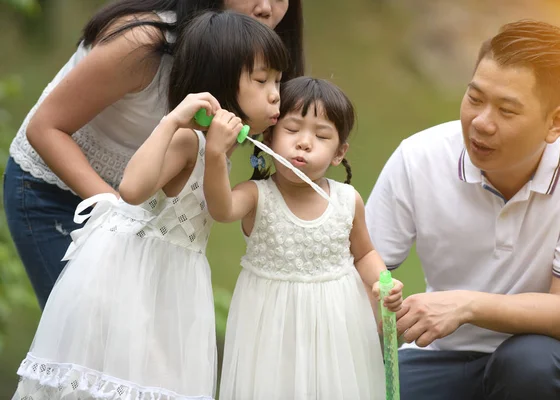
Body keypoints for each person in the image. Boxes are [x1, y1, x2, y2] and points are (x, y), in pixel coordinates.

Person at [12, 10, 287, 400]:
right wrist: (171, 121)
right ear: (222, 82)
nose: (276, 93)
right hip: (132, 276)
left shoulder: (216, 149)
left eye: (277, 80)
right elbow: (132, 188)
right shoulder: (187, 140)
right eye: (262, 81)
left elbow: (222, 210)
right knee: (119, 378)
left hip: (174, 279)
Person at [3, 0, 304, 308]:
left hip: (140, 210)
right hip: (54, 192)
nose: (267, 7)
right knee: (90, 333)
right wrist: (121, 222)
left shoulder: (256, 72)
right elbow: (45, 128)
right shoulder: (143, 42)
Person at [365, 19, 560, 399]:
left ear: (555, 122)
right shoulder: (418, 158)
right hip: (443, 354)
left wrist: (465, 305)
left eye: (507, 111)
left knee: (530, 365)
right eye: (475, 98)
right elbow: (363, 268)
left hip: (555, 355)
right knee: (372, 390)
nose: (481, 123)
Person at [203, 76, 403, 399]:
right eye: (292, 130)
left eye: (321, 135)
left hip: (336, 329)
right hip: (271, 329)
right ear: (268, 137)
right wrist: (214, 155)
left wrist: (383, 282)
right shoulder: (257, 195)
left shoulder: (347, 200)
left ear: (339, 153)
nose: (304, 142)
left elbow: (364, 254)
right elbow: (221, 208)